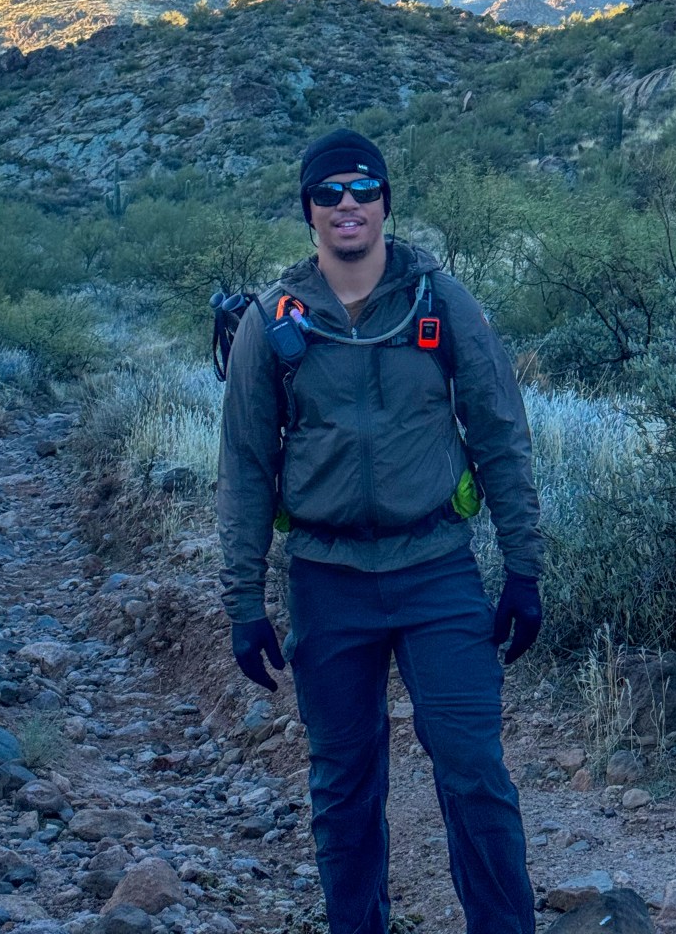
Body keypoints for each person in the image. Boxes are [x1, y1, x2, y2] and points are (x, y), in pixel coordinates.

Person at [217, 128, 543, 934]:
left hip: (436, 570)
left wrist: (525, 569)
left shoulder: (439, 299)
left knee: (472, 770)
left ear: (387, 203)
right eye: (329, 193)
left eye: (363, 189)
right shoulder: (272, 321)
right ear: (309, 212)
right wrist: (242, 603)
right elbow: (247, 468)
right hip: (326, 581)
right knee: (344, 781)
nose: (347, 205)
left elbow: (499, 430)